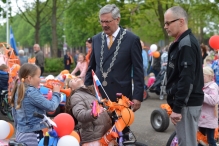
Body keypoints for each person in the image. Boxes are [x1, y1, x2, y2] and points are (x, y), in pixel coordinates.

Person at [85, 4, 144, 111]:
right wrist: (86, 90)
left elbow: (138, 70)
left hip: (121, 96)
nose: (104, 25)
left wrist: (137, 96)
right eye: (101, 21)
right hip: (99, 95)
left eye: (107, 21)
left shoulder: (131, 39)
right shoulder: (96, 39)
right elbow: (91, 67)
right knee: (100, 127)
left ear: (117, 20)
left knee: (121, 128)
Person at [164, 6, 204, 146]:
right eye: (165, 23)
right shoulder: (182, 42)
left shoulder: (186, 43)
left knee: (186, 143)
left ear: (181, 21)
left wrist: (178, 107)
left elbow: (187, 78)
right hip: (186, 104)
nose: (165, 26)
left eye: (168, 23)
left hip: (186, 104)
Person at [10, 63, 61, 145]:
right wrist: (56, 93)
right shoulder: (31, 92)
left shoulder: (18, 89)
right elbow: (51, 107)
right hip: (32, 135)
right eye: (38, 77)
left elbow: (14, 113)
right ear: (30, 78)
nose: (40, 80)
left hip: (21, 133)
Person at [65, 76, 112, 146]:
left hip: (104, 133)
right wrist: (92, 113)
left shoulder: (91, 92)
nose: (75, 78)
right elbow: (80, 114)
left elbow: (103, 110)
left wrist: (111, 109)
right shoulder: (75, 96)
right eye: (71, 81)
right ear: (72, 89)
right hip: (94, 138)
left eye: (75, 78)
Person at [198, 66, 219, 146]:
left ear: (210, 76)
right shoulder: (202, 85)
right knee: (201, 138)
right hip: (202, 118)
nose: (201, 77)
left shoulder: (213, 87)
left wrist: (201, 94)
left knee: (210, 140)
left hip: (209, 118)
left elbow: (213, 101)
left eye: (203, 75)